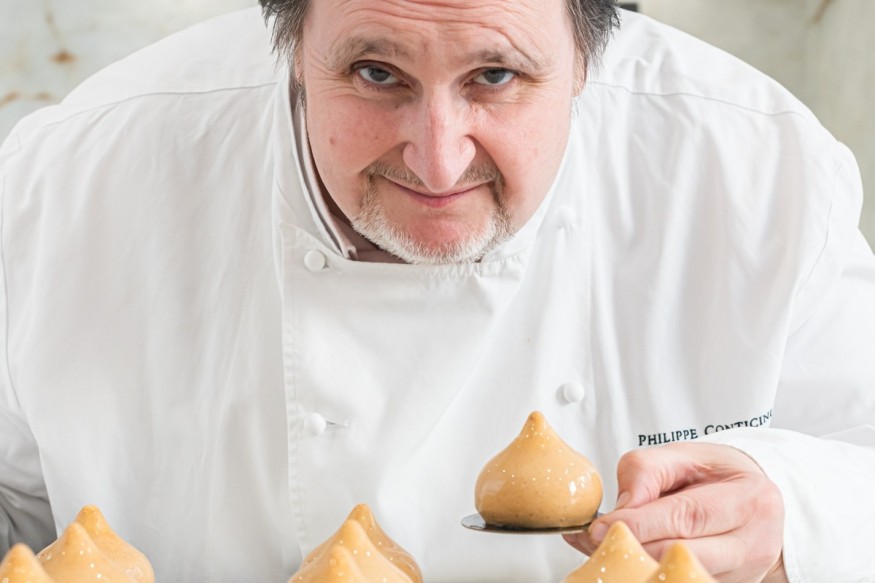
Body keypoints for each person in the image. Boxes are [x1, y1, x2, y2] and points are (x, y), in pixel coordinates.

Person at [1, 0, 873, 581]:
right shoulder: (71, 180)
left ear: (587, 57)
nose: (438, 159)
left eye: (495, 77)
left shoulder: (756, 169)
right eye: (376, 74)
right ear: (291, 48)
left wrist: (791, 505)